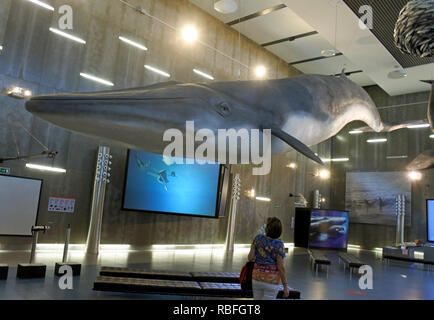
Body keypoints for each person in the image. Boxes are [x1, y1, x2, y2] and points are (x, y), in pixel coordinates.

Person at [247, 217, 289, 300]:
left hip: (257, 278)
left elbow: (250, 257)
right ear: (279, 230)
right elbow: (280, 267)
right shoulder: (279, 244)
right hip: (271, 281)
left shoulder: (258, 238)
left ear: (267, 228)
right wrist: (285, 286)